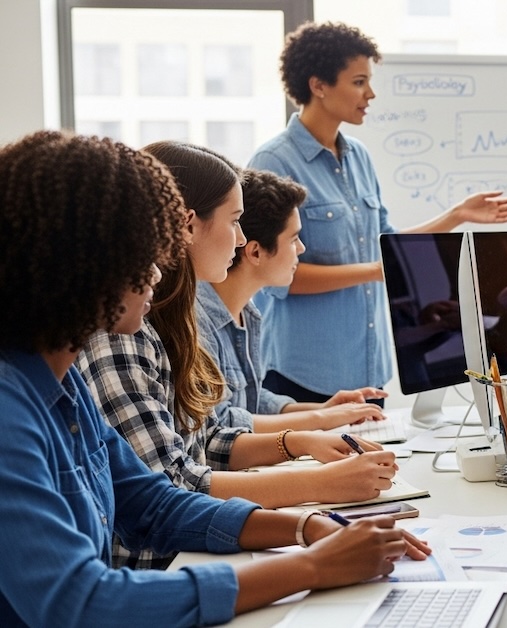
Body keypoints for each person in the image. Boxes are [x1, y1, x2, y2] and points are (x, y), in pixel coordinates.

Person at [0, 130, 429, 627]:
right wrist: (311, 567)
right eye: (144, 256)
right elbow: (82, 602)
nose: (159, 274)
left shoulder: (63, 382)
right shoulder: (10, 413)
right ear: (85, 267)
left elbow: (152, 502)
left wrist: (307, 527)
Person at [77, 141, 398, 570]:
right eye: (234, 222)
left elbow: (204, 438)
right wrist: (318, 486)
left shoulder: (175, 320)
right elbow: (172, 487)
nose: (244, 238)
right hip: (161, 565)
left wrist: (300, 442)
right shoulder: (121, 336)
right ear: (188, 225)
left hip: (191, 551)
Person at [248, 21, 507, 404]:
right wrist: (379, 270)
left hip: (368, 369)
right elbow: (277, 278)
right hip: (302, 374)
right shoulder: (273, 160)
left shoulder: (359, 157)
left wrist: (457, 214)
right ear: (319, 85)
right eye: (359, 81)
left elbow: (388, 243)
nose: (370, 93)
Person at [197, 167, 393, 433]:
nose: (301, 249)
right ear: (255, 252)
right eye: (293, 239)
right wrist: (319, 421)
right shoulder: (198, 324)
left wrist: (324, 410)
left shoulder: (248, 311)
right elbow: (221, 424)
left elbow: (250, 401)